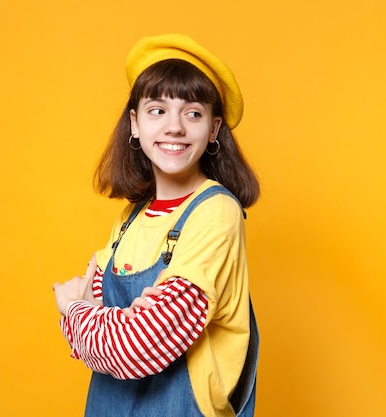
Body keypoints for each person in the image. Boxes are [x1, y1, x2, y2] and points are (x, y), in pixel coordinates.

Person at [52, 33, 260, 417]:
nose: (174, 127)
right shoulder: (130, 218)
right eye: (157, 110)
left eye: (193, 113)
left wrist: (73, 308)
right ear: (135, 123)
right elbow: (119, 341)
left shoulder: (216, 212)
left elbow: (137, 349)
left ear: (214, 129)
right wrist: (117, 324)